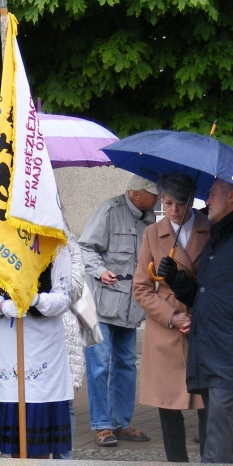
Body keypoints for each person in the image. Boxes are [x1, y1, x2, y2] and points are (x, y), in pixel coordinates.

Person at [157, 178, 233, 464]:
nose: (207, 201)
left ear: (231, 197)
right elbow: (204, 295)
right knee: (229, 435)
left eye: (212, 195)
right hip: (209, 348)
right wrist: (175, 278)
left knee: (217, 439)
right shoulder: (218, 238)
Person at [133, 173, 209, 462]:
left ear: (191, 201)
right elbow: (141, 288)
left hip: (203, 317)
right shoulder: (153, 233)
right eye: (167, 203)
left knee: (208, 401)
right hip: (166, 327)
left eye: (180, 203)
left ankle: (210, 462)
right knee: (167, 404)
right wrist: (171, 316)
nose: (174, 210)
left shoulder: (210, 229)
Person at [79, 174, 158, 446]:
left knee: (126, 364)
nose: (157, 199)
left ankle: (121, 422)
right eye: (153, 194)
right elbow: (84, 248)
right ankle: (102, 425)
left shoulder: (150, 218)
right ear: (136, 194)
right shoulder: (110, 210)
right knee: (100, 365)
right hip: (103, 304)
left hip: (131, 306)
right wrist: (100, 271)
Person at [0, 248, 74, 458]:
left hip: (43, 345)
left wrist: (36, 300)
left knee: (39, 438)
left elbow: (64, 297)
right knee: (14, 435)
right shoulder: (0, 245)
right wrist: (2, 305)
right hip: (7, 343)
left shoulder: (56, 247)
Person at [54, 233, 103, 459]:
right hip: (29, 331)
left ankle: (64, 463)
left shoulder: (67, 242)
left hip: (63, 330)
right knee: (31, 403)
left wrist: (41, 300)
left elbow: (73, 288)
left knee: (64, 402)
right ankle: (33, 463)